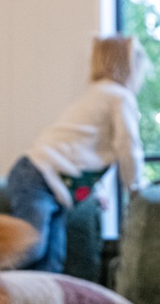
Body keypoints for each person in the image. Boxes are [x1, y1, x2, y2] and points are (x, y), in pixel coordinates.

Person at [8, 35, 150, 272]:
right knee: (30, 248)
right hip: (38, 176)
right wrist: (136, 188)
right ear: (129, 68)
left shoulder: (99, 94)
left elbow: (89, 151)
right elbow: (128, 147)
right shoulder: (119, 97)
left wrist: (96, 191)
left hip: (42, 178)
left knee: (50, 259)